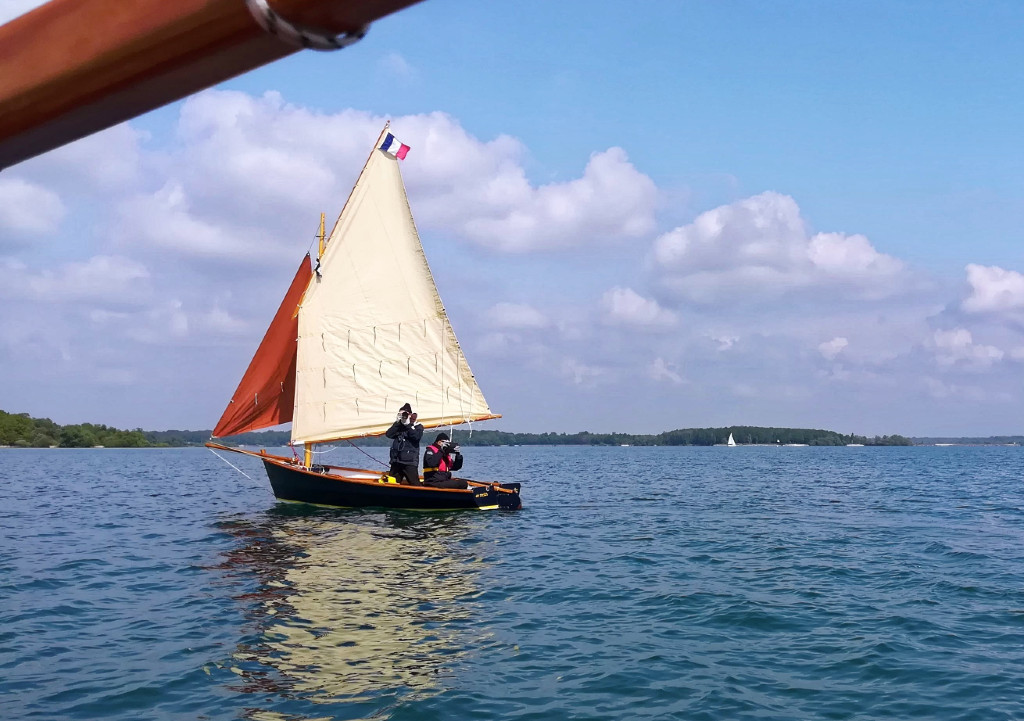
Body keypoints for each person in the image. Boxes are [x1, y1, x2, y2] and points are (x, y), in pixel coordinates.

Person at [385, 403, 423, 485]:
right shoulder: (399, 426)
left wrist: (408, 425)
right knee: (392, 483)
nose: (403, 416)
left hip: (409, 461)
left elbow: (416, 437)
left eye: (405, 414)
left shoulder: (417, 426)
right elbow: (389, 434)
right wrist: (397, 423)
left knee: (415, 484)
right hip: (396, 460)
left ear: (410, 415)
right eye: (401, 414)